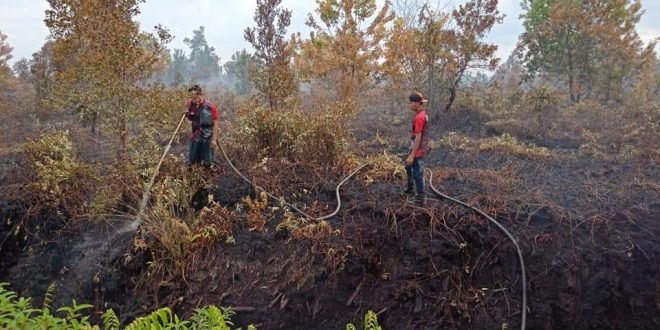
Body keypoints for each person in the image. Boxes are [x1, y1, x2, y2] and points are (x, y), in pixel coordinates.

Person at [404, 92, 429, 205]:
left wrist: (412, 155)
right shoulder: (422, 113)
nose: (409, 105)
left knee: (418, 173)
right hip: (417, 146)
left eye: (410, 103)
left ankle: (420, 199)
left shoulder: (419, 117)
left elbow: (418, 137)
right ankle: (410, 189)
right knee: (408, 167)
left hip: (418, 149)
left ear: (416, 103)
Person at [185, 84, 219, 166]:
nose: (194, 100)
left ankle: (209, 174)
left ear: (201, 95)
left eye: (195, 98)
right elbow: (192, 118)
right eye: (192, 98)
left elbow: (215, 124)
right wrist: (187, 115)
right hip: (195, 136)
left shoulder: (210, 107)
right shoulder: (190, 104)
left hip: (207, 137)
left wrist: (214, 140)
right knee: (193, 160)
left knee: (208, 161)